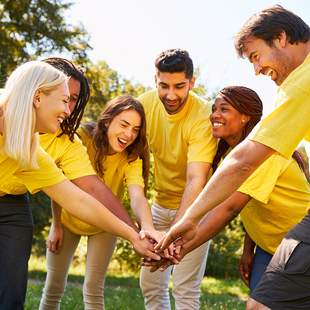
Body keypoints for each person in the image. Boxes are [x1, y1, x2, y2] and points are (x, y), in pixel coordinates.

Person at [157, 5, 310, 310]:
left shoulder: (300, 84)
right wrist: (248, 247)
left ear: (280, 38)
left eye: (256, 56)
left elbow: (241, 169)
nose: (257, 69)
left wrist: (186, 223)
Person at [0, 61, 159, 309]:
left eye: (72, 100)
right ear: (38, 97)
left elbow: (79, 198)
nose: (68, 109)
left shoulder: (32, 152)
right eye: (65, 100)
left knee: (11, 290)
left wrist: (134, 235)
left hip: (10, 202)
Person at [146, 86, 309, 295]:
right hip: (268, 248)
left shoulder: (264, 153)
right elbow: (253, 204)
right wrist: (249, 250)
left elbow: (229, 208)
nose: (214, 115)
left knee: (262, 306)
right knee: (257, 306)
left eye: (223, 109)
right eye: (213, 109)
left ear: (244, 117)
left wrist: (180, 248)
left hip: (301, 244)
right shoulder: (231, 157)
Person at [40, 94, 163, 310]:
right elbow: (58, 182)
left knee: (94, 288)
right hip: (69, 220)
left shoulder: (131, 156)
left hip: (105, 225)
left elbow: (137, 195)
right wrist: (56, 225)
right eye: (124, 125)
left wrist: (148, 228)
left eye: (135, 129)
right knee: (54, 287)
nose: (129, 134)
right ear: (107, 121)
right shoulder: (80, 138)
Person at [138, 49, 217, 310]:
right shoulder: (145, 104)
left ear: (192, 83)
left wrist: (180, 228)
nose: (170, 95)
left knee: (185, 288)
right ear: (155, 80)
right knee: (150, 284)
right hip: (160, 206)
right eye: (164, 86)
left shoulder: (203, 114)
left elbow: (196, 177)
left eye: (179, 86)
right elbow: (134, 162)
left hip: (195, 211)